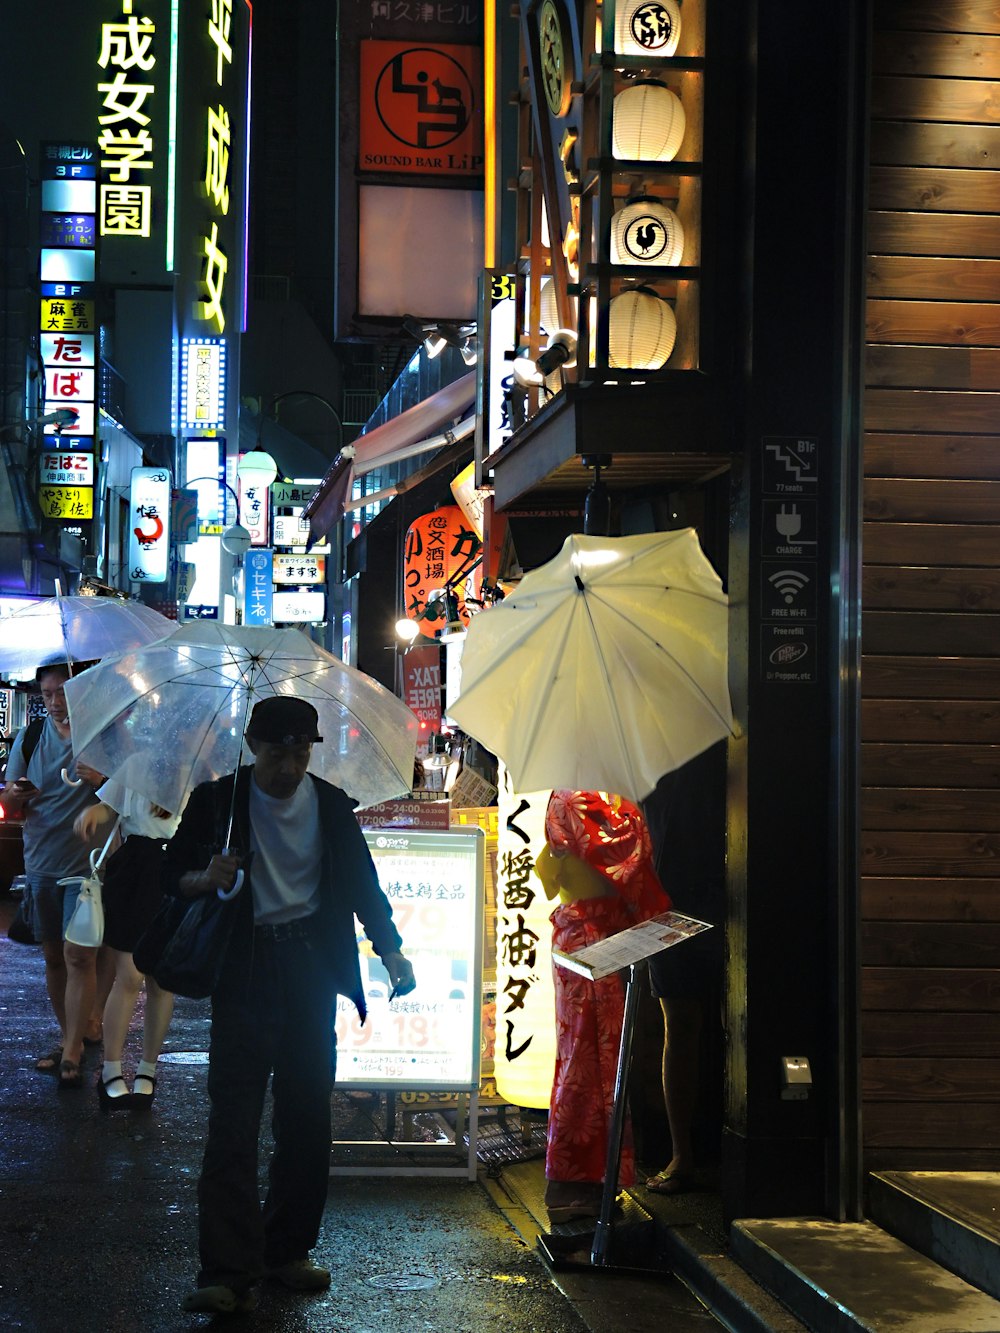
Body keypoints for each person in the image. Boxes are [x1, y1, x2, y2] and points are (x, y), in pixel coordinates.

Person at [161, 696, 416, 1317]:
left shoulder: (330, 805)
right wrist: (206, 877)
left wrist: (393, 953)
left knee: (306, 1117)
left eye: (302, 749)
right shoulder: (219, 802)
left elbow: (362, 886)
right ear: (252, 746)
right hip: (246, 972)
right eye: (277, 750)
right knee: (233, 1122)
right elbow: (172, 874)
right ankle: (226, 1268)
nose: (289, 763)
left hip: (308, 973)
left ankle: (288, 1250)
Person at [534, 789, 670, 1225]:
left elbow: (549, 876)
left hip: (576, 938)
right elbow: (639, 882)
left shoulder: (564, 801)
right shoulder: (625, 808)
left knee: (578, 1062)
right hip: (615, 941)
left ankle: (573, 1183)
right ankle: (599, 1180)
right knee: (608, 1063)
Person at [0, 663, 108, 1090]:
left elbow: (126, 794)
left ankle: (73, 1050)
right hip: (41, 862)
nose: (56, 701)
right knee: (51, 957)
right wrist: (15, 795)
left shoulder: (99, 739)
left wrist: (100, 781)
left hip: (88, 867)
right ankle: (71, 1034)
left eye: (63, 692)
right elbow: (9, 795)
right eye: (48, 694)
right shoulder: (30, 738)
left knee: (80, 955)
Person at [642, 741, 727, 1195]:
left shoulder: (715, 743)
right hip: (669, 905)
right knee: (682, 1027)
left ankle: (693, 1154)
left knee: (699, 1026)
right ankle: (683, 1154)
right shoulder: (651, 752)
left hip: (718, 896)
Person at [73, 777, 180, 1108]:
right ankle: (111, 1069)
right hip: (135, 870)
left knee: (161, 981)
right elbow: (110, 805)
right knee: (130, 976)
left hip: (176, 870)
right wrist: (94, 812)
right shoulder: (138, 765)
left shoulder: (205, 775)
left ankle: (147, 1070)